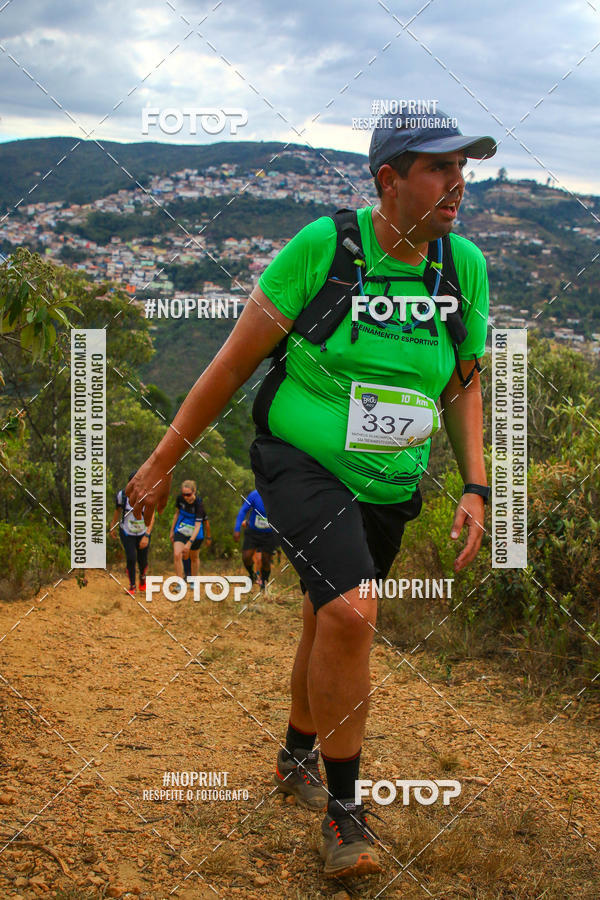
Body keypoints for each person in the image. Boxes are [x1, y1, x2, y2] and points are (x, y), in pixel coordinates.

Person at [127, 110, 495, 879]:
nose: (456, 182)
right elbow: (229, 366)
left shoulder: (462, 268)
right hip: (300, 460)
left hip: (390, 481)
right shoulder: (324, 249)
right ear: (389, 180)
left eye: (462, 166)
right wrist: (163, 462)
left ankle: (295, 757)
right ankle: (345, 817)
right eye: (436, 167)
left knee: (329, 619)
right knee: (354, 609)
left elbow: (465, 383)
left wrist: (475, 485)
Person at [109, 471, 155, 595]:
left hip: (143, 532)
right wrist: (112, 525)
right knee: (131, 557)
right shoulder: (122, 496)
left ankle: (142, 578)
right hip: (126, 531)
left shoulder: (147, 496)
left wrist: (147, 535)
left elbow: (152, 517)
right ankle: (132, 586)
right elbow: (117, 510)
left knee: (142, 559)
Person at [234, 488, 279, 589]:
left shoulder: (279, 495)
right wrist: (237, 529)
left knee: (266, 560)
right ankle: (252, 574)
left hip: (269, 534)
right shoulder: (254, 495)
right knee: (246, 557)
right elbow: (243, 510)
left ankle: (264, 582)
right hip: (253, 532)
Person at [170, 480, 211, 579]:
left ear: (194, 491)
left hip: (195, 534)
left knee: (194, 558)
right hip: (181, 530)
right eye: (184, 494)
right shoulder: (180, 499)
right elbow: (177, 514)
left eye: (188, 494)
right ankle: (180, 582)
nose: (186, 497)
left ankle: (193, 580)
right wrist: (171, 531)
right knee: (177, 555)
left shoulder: (199, 504)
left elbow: (199, 525)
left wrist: (189, 543)